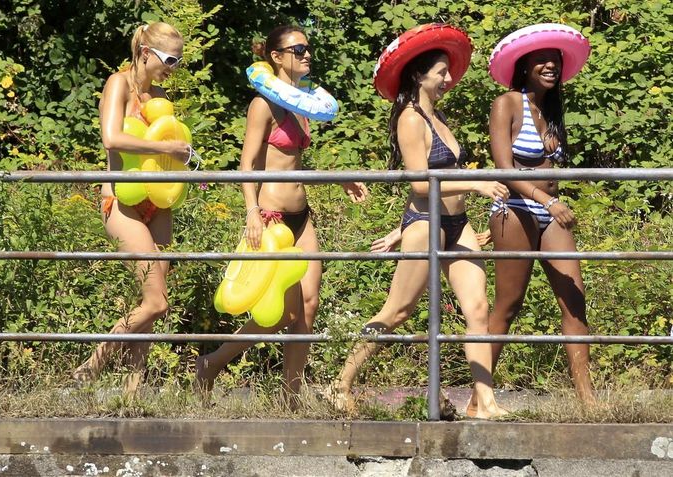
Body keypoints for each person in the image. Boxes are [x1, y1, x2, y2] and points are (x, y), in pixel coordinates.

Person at [327, 24, 509, 419]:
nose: (448, 79)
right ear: (418, 76)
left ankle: (486, 403)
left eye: (447, 72)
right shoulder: (410, 119)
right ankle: (340, 383)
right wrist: (477, 185)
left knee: (478, 309)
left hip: (458, 224)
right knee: (398, 311)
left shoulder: (437, 114)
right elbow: (418, 182)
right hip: (427, 222)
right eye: (441, 72)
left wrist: (469, 200)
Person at [195, 25, 367, 401]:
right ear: (276, 56)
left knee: (308, 306)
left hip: (303, 216)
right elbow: (247, 166)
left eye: (308, 48)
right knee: (284, 316)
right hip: (272, 218)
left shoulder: (299, 104)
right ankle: (212, 361)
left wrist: (336, 178)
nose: (307, 54)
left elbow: (294, 166)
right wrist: (251, 213)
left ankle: (292, 395)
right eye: (298, 49)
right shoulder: (263, 105)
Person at [472, 24, 596, 410]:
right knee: (509, 304)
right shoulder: (506, 103)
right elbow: (504, 169)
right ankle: (480, 399)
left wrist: (552, 201)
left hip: (549, 214)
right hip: (517, 211)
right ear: (524, 65)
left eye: (556, 60)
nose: (550, 65)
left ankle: (588, 401)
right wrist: (546, 199)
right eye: (542, 59)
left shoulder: (553, 110)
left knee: (575, 300)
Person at [72, 22, 190, 394]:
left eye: (179, 61)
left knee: (151, 295)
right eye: (170, 59)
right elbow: (112, 137)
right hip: (122, 202)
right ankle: (91, 366)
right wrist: (166, 149)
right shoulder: (117, 84)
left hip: (157, 203)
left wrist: (181, 154)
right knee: (157, 303)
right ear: (145, 54)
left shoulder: (159, 97)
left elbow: (167, 144)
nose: (174, 67)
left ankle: (132, 388)